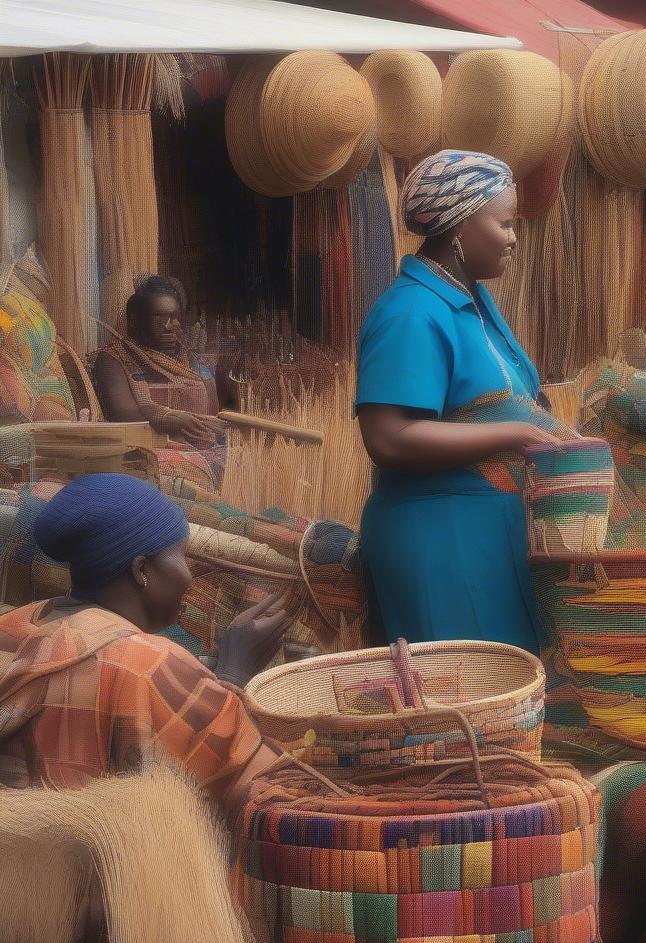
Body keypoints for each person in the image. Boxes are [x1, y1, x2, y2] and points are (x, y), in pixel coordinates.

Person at [356, 150, 561, 653]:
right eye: (504, 224)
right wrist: (520, 433)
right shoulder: (410, 313)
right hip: (441, 542)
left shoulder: (474, 300)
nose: (513, 238)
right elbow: (388, 437)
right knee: (464, 700)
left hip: (492, 538)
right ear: (459, 228)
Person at [0, 473, 288, 820]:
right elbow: (248, 791)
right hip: (102, 870)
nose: (190, 577)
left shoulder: (14, 630)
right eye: (182, 557)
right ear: (142, 570)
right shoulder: (145, 665)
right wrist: (233, 672)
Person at [93, 276, 226, 448]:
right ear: (134, 321)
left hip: (203, 450)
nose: (171, 326)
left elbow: (214, 416)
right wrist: (169, 418)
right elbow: (124, 415)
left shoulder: (190, 360)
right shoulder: (113, 359)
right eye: (160, 317)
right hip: (143, 451)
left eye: (175, 317)